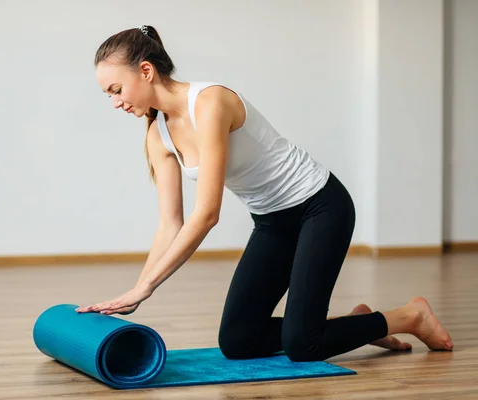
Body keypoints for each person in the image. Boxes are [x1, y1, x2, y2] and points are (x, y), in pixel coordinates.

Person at [76, 25, 454, 361]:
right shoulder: (156, 133)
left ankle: (410, 315)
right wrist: (135, 291)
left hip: (320, 207)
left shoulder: (210, 103)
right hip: (273, 222)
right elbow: (170, 223)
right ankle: (357, 324)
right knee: (238, 341)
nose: (116, 102)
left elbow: (207, 214)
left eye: (117, 89)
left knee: (302, 346)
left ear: (146, 71)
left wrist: (147, 287)